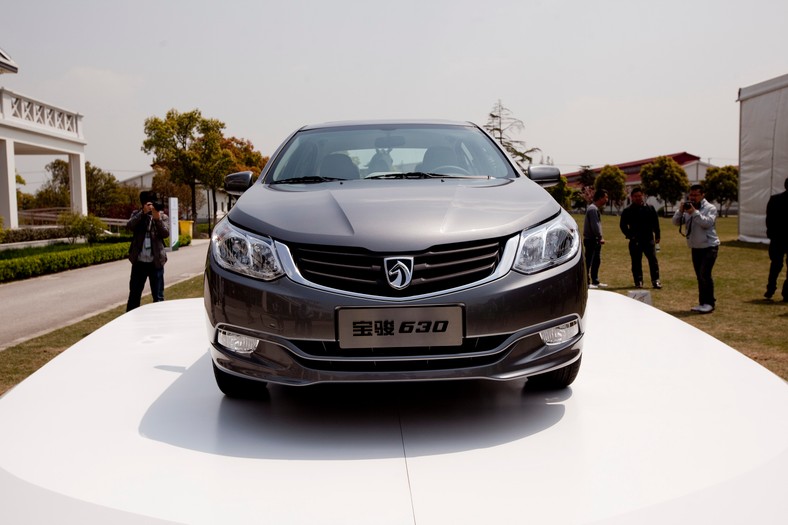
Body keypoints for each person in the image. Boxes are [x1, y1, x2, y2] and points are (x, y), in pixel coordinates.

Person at [672, 184, 720, 313]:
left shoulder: (710, 208)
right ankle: (702, 302)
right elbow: (675, 222)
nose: (692, 198)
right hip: (696, 247)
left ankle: (710, 303)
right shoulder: (688, 208)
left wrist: (694, 212)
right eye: (691, 195)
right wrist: (680, 211)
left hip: (710, 246)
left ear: (702, 195)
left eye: (695, 195)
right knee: (699, 276)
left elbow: (707, 223)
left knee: (705, 274)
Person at [126, 191, 169, 311]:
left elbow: (165, 233)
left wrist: (157, 219)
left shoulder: (162, 216)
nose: (151, 206)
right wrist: (142, 214)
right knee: (134, 295)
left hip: (156, 263)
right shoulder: (137, 214)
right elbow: (129, 226)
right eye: (148, 204)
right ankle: (131, 322)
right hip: (139, 262)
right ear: (143, 204)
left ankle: (159, 323)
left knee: (158, 297)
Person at [620, 186, 662, 289]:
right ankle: (638, 281)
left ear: (642, 196)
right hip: (635, 241)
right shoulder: (628, 211)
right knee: (636, 262)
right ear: (632, 197)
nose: (638, 198)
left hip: (648, 239)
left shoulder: (650, 208)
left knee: (653, 261)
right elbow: (623, 225)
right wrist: (630, 236)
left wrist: (657, 235)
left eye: (640, 196)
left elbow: (656, 223)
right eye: (635, 196)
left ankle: (655, 280)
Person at [765, 178, 788, 301]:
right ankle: (786, 292)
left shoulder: (775, 199)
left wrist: (771, 233)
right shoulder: (775, 199)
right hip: (780, 238)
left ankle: (770, 288)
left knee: (775, 265)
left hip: (777, 238)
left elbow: (769, 219)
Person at [583, 189, 609, 288]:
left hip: (595, 240)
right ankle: (587, 283)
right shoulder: (593, 209)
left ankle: (595, 281)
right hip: (591, 240)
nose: (607, 199)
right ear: (600, 198)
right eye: (605, 197)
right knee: (589, 262)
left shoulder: (594, 208)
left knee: (596, 261)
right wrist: (600, 236)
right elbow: (595, 225)